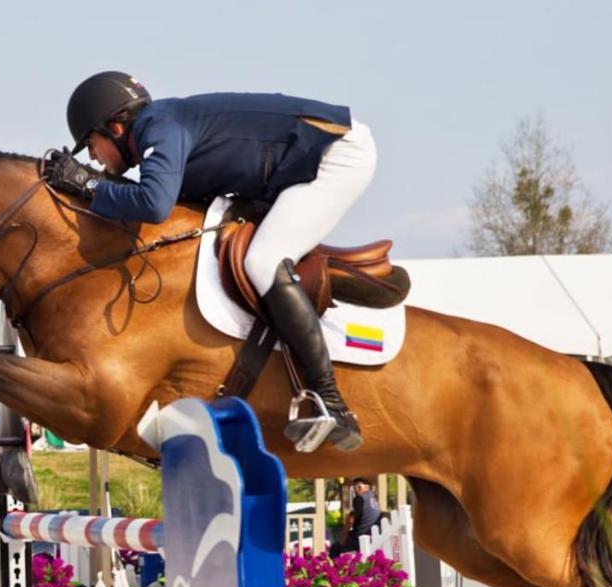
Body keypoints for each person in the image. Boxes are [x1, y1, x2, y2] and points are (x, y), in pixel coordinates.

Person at [43, 73, 375, 451]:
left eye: (92, 145)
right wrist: (88, 184)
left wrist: (86, 184)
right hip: (300, 162)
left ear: (116, 127)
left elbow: (153, 204)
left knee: (263, 262)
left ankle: (330, 403)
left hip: (335, 156)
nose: (93, 157)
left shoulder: (158, 125)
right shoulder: (162, 129)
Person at [333, 477, 382, 555]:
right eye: (355, 487)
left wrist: (344, 535)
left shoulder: (359, 499)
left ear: (367, 487)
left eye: (359, 487)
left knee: (335, 547)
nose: (356, 489)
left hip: (361, 536)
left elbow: (351, 520)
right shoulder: (374, 499)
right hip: (374, 535)